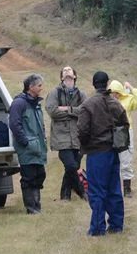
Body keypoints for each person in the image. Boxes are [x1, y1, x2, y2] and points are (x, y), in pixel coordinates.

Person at [77, 71, 129, 236]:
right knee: (114, 188)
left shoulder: (88, 104)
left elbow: (82, 130)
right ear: (107, 84)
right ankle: (116, 225)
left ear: (93, 84)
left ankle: (98, 228)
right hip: (112, 151)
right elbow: (125, 124)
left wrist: (85, 145)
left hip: (97, 152)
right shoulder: (115, 103)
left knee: (97, 190)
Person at [9, 73, 48, 214]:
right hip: (27, 148)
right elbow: (14, 124)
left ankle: (37, 206)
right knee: (28, 178)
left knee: (39, 175)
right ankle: (31, 208)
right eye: (39, 85)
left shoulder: (35, 103)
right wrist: (25, 142)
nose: (41, 88)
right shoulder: (19, 103)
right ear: (30, 87)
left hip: (37, 148)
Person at [47, 66, 86, 201]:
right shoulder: (54, 93)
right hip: (61, 137)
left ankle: (65, 196)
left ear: (75, 76)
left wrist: (67, 109)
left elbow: (85, 111)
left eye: (70, 70)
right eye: (64, 70)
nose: (67, 71)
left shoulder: (81, 94)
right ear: (62, 77)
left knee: (73, 168)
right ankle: (82, 192)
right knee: (71, 165)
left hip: (78, 137)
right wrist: (74, 112)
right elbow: (52, 111)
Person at [107, 78, 137, 198]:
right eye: (112, 92)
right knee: (110, 161)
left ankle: (127, 188)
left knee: (126, 161)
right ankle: (111, 187)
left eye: (116, 92)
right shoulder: (106, 101)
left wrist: (132, 88)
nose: (114, 95)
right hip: (109, 132)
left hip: (125, 132)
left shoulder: (128, 99)